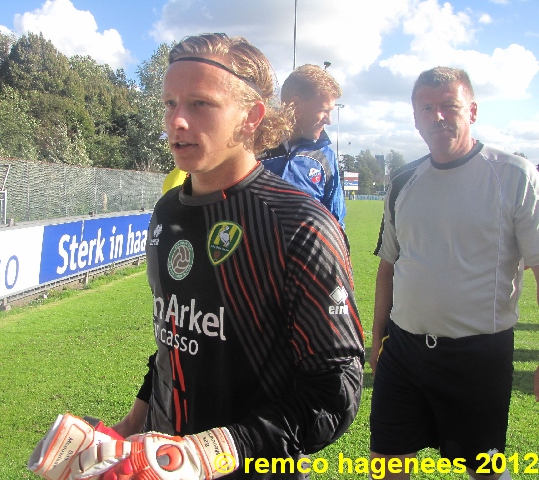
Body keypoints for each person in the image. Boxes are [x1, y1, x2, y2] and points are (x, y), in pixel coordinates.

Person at [53, 33, 364, 480]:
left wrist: (211, 452)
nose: (176, 121)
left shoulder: (300, 224)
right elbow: (173, 337)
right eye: (169, 103)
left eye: (200, 104)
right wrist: (133, 423)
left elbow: (334, 391)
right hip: (156, 465)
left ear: (251, 116)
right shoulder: (168, 211)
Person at [370, 66, 539, 480]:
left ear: (473, 111)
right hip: (404, 351)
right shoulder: (403, 180)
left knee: (485, 471)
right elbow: (388, 267)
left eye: (449, 105)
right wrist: (377, 340)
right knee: (386, 463)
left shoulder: (514, 175)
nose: (438, 116)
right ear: (415, 118)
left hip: (478, 357)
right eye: (426, 108)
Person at [259, 64, 346, 228]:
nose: (329, 120)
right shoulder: (252, 146)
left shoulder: (325, 156)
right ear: (295, 106)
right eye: (324, 110)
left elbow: (336, 223)